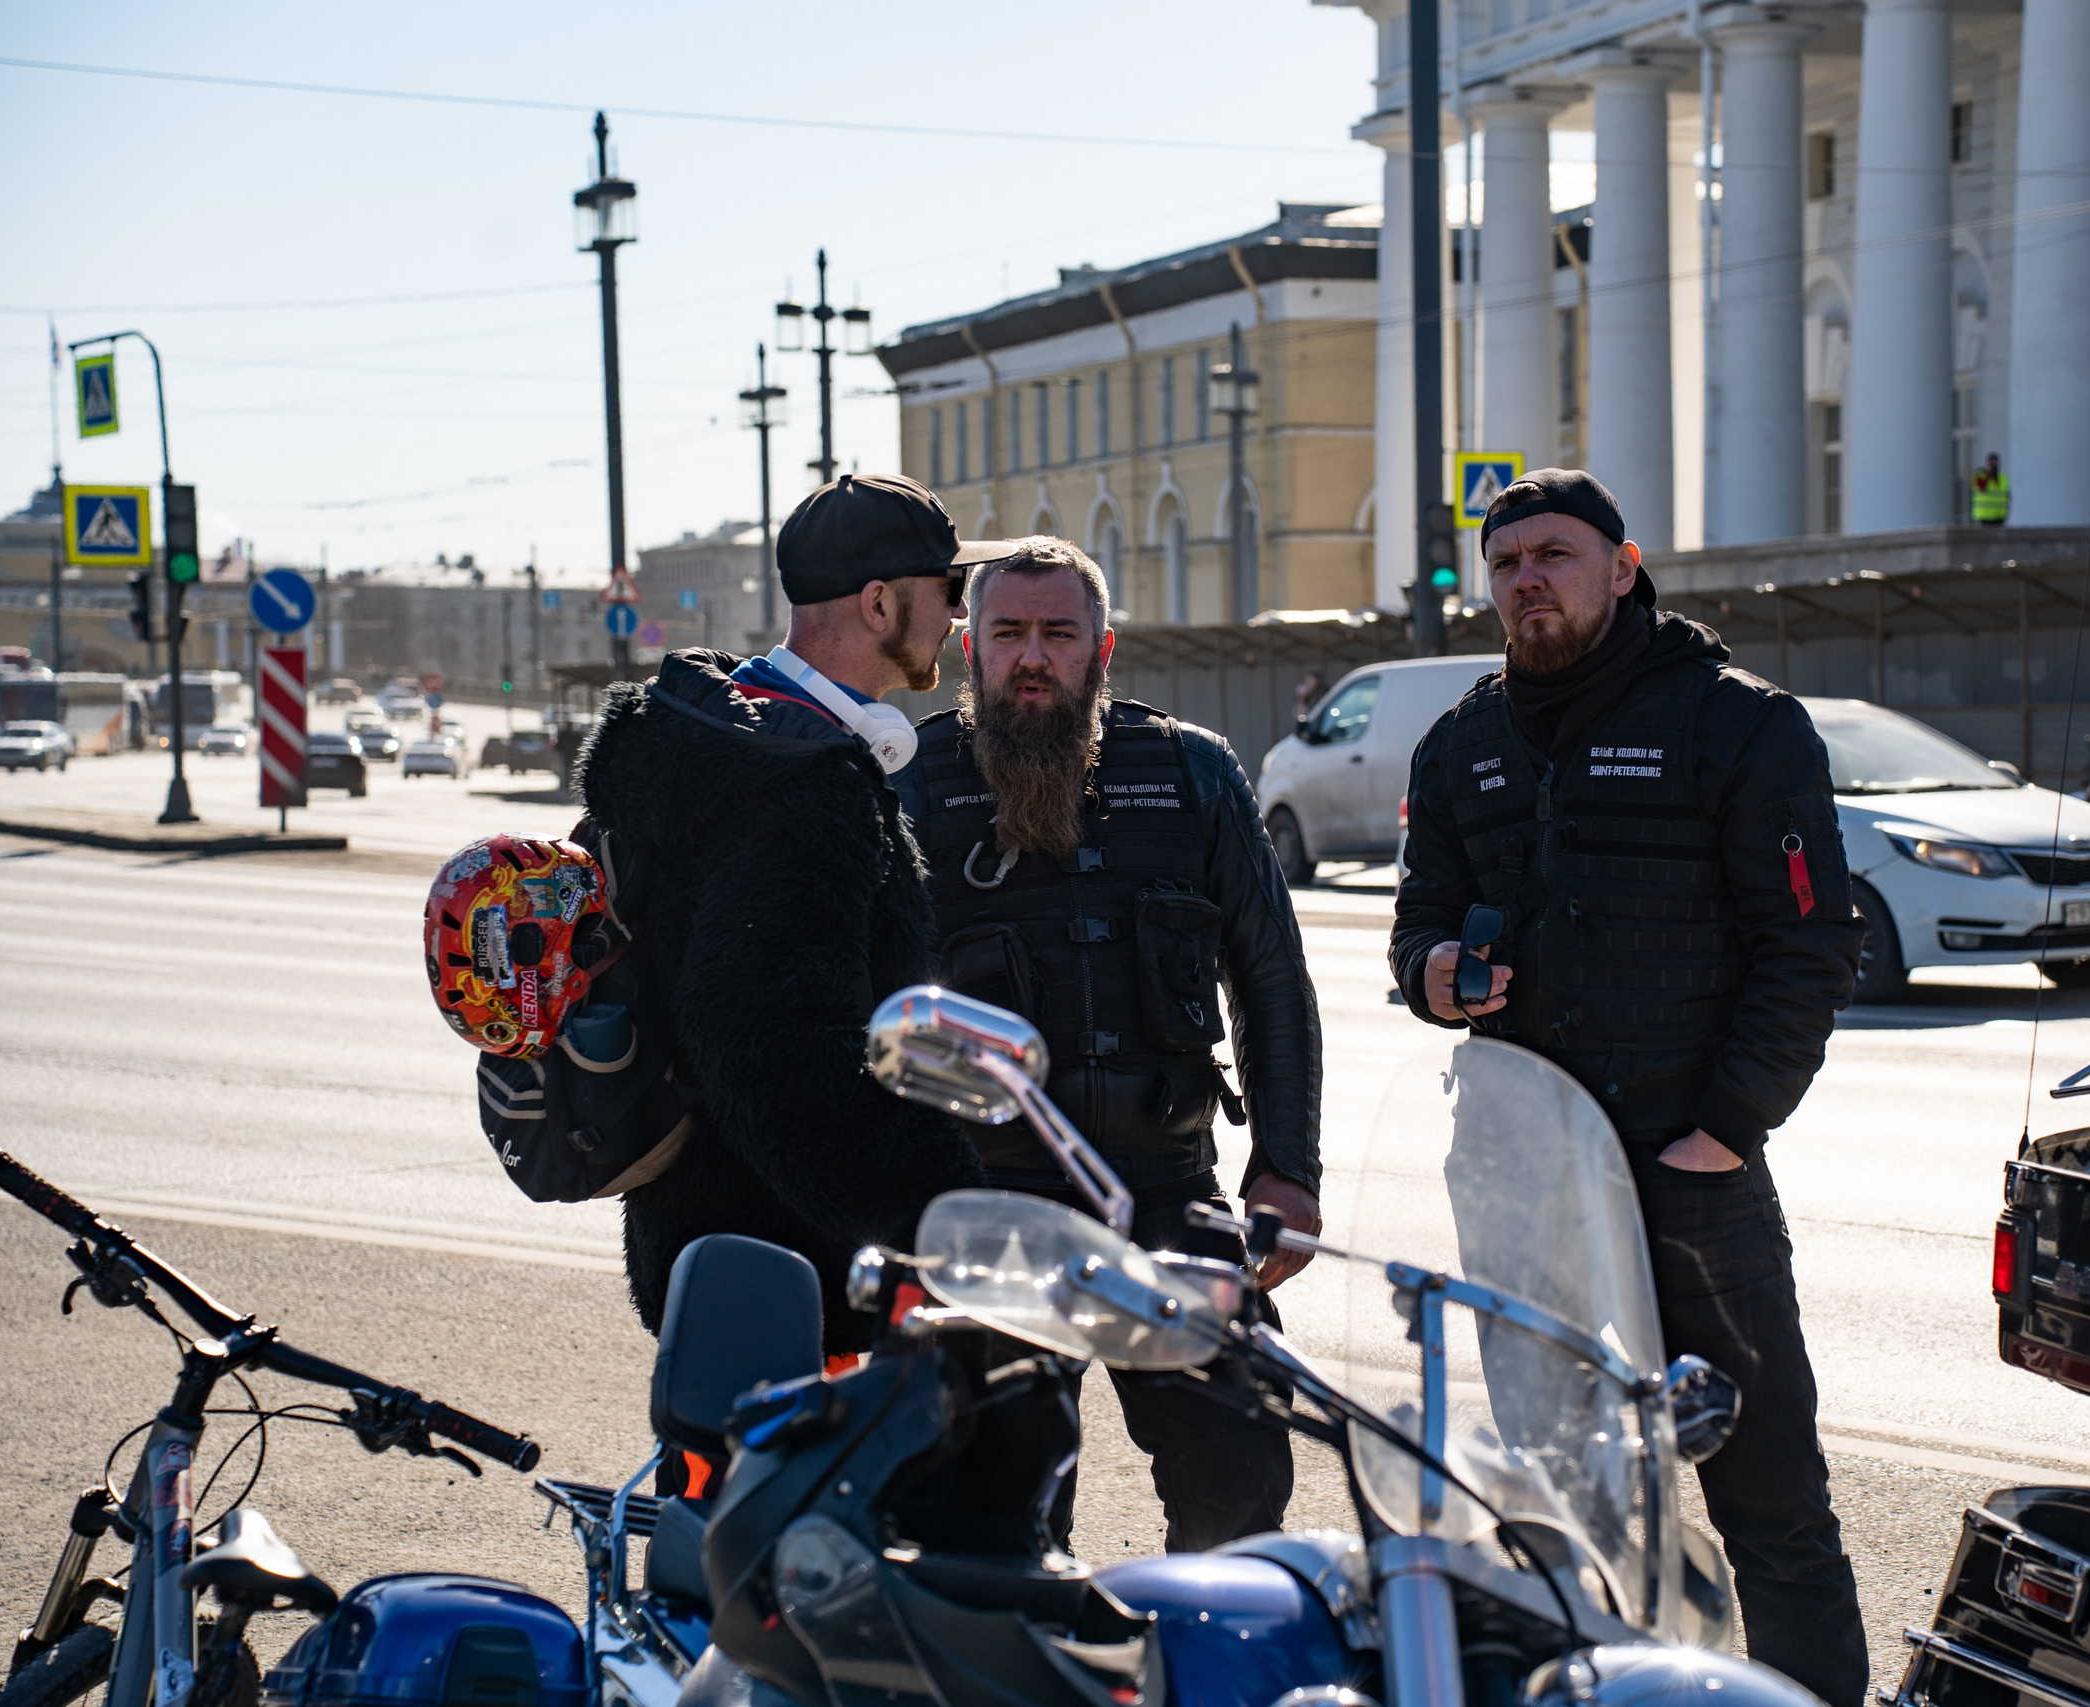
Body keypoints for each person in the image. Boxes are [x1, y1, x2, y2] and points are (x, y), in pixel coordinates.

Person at [1390, 470, 1870, 1706]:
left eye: (1554, 553)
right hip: (1518, 1176)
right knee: (1544, 1498)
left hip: (1689, 1176)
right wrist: (1436, 973)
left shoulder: (1740, 723)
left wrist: (1724, 1130)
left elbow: (1808, 946)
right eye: (1505, 564)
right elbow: (1415, 932)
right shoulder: (1460, 742)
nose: (1526, 580)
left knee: (1767, 1495)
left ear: (1624, 563)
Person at [892, 536, 1322, 1552]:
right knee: (998, 1520)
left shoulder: (1191, 773)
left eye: (1057, 633)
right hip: (985, 1211)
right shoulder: (909, 786)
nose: (1032, 656)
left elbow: (1269, 980)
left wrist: (1288, 1171)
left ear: (1102, 649)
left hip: (1169, 1196)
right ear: (970, 649)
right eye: (1008, 633)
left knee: (1240, 1483)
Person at [575, 473, 1014, 1356]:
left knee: (714, 1490)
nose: (960, 618)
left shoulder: (727, 742)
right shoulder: (797, 787)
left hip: (717, 1254)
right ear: (882, 603)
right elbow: (776, 1049)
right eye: (950, 591)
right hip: (783, 1277)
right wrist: (943, 1218)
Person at [1971, 452, 2009, 525]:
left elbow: (2007, 496)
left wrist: (2005, 513)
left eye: (1995, 463)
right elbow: (1981, 488)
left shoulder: (2002, 478)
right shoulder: (1980, 476)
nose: (1994, 466)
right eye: (1991, 463)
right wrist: (1988, 474)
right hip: (1984, 515)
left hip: (1999, 516)